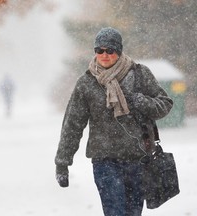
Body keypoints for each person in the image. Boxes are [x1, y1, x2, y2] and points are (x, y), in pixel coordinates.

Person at [54, 27, 173, 216]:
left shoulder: (139, 74)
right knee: (114, 212)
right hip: (104, 161)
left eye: (110, 50)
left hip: (138, 159)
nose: (105, 55)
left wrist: (140, 101)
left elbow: (165, 104)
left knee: (132, 213)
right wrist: (62, 162)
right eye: (99, 50)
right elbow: (72, 124)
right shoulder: (87, 83)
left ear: (119, 51)